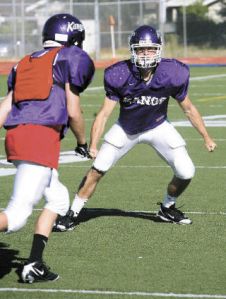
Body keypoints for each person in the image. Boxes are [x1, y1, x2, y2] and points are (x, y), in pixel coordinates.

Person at [54, 25, 216, 232]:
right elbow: (104, 113)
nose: (146, 54)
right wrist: (93, 144)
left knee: (186, 171)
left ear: (158, 50)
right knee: (98, 168)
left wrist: (206, 136)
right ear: (133, 50)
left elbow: (189, 109)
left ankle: (167, 207)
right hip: (126, 128)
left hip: (157, 126)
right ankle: (72, 213)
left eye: (150, 49)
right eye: (141, 49)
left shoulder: (174, 72)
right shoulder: (119, 74)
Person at [0, 13, 94, 283]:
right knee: (16, 216)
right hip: (39, 139)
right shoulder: (68, 58)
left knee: (59, 200)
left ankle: (34, 263)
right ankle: (33, 263)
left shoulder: (24, 62)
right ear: (74, 39)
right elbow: (74, 111)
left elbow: (6, 105)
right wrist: (82, 143)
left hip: (18, 136)